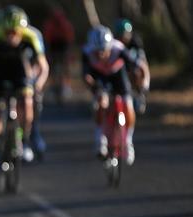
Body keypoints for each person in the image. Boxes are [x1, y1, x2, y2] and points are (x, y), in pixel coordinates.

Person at [0, 5, 49, 169]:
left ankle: (24, 140)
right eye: (7, 32)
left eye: (15, 32)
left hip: (20, 71)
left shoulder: (31, 36)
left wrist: (37, 84)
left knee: (27, 101)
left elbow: (43, 66)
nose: (11, 37)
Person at [82, 25, 149, 166]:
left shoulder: (118, 49)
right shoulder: (87, 52)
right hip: (99, 78)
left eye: (104, 51)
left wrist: (143, 85)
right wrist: (95, 88)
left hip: (118, 76)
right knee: (101, 102)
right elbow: (86, 76)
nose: (101, 55)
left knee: (128, 105)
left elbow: (139, 66)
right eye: (97, 52)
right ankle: (101, 139)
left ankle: (128, 142)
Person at [113, 18, 150, 114]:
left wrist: (145, 83)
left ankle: (140, 94)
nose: (124, 37)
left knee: (136, 72)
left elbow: (142, 62)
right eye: (122, 34)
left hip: (134, 65)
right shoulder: (115, 43)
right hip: (119, 67)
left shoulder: (136, 42)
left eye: (126, 34)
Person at [42, 7, 75, 102]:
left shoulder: (55, 24)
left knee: (61, 67)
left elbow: (68, 40)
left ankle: (63, 86)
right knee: (58, 67)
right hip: (56, 46)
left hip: (60, 46)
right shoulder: (61, 24)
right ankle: (61, 86)